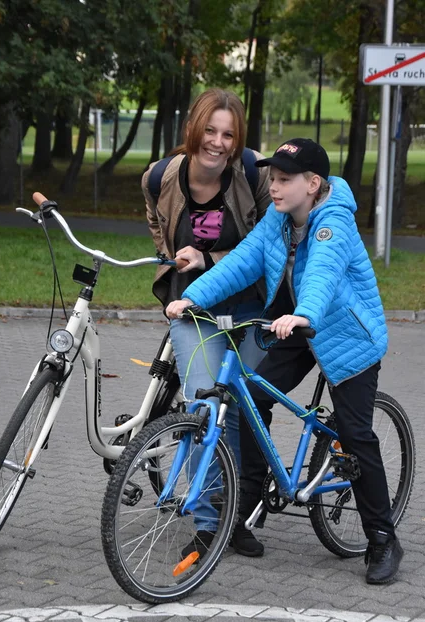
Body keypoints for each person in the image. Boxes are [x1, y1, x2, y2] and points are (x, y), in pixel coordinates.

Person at [166, 137, 403, 585]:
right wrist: (192, 297)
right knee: (248, 398)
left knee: (354, 433)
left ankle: (382, 538)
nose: (273, 187)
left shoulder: (334, 222)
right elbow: (241, 263)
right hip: (296, 327)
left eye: (284, 180)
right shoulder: (277, 221)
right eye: (272, 178)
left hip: (345, 334)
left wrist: (304, 314)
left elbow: (323, 273)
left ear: (313, 184)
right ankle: (242, 512)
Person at [142, 88, 270, 556]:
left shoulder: (254, 174)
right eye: (210, 131)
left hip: (248, 306)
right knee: (204, 406)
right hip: (192, 306)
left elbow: (266, 248)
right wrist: (172, 262)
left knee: (238, 405)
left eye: (228, 134)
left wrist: (209, 256)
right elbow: (158, 225)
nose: (217, 142)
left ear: (237, 142)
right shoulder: (158, 177)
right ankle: (210, 523)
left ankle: (237, 513)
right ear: (192, 131)